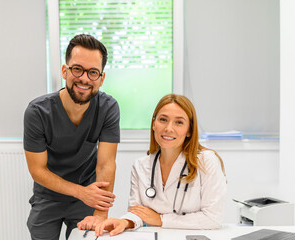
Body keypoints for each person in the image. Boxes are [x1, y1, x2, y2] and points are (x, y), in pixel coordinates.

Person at [23, 34, 120, 240]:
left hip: (87, 198)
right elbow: (37, 170)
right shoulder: (38, 112)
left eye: (93, 72)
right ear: (65, 71)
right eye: (77, 69)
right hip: (48, 196)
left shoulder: (108, 108)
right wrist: (81, 192)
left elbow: (106, 165)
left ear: (101, 79)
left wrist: (100, 214)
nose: (84, 78)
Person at [94, 94, 227, 237]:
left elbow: (212, 219)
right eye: (163, 120)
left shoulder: (207, 162)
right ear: (153, 124)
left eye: (179, 122)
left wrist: (161, 219)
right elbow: (138, 213)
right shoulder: (140, 166)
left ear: (189, 130)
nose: (169, 128)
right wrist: (125, 222)